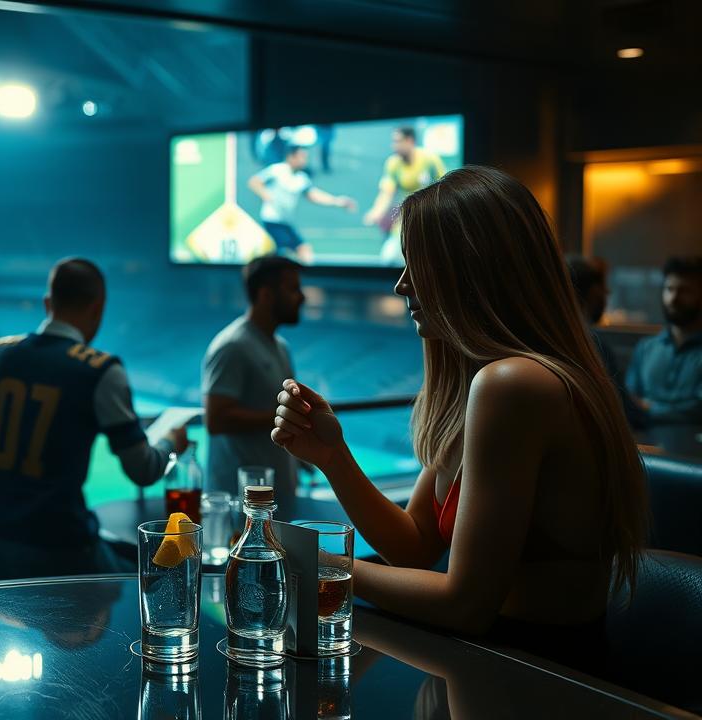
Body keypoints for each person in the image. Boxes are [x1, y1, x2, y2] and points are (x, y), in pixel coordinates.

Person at [272, 166, 646, 675]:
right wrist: (332, 457)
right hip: (496, 664)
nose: (402, 285)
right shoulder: (488, 385)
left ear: (470, 268)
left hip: (543, 681)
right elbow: (415, 546)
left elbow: (465, 605)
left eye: (416, 264)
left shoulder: (512, 385)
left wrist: (322, 567)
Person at [0, 258, 188, 580]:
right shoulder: (100, 370)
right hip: (57, 545)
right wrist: (172, 439)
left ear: (48, 303)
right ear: (98, 308)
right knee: (150, 583)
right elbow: (143, 470)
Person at [202, 255, 302, 499]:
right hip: (236, 500)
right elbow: (216, 419)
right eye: (293, 289)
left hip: (275, 496)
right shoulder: (232, 346)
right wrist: (285, 419)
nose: (302, 297)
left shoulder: (281, 346)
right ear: (266, 294)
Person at [565, 254, 644, 428]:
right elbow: (622, 413)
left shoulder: (556, 340)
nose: (607, 293)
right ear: (594, 292)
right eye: (604, 287)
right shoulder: (593, 345)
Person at [247, 145, 357, 264]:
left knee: (301, 251)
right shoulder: (276, 170)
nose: (304, 160)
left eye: (305, 157)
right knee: (293, 252)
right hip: (272, 220)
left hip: (286, 221)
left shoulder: (301, 178)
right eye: (301, 157)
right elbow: (254, 182)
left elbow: (313, 195)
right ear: (291, 157)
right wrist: (266, 195)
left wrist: (337, 201)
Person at [626, 256, 702, 425]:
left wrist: (648, 409)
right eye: (669, 289)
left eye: (685, 290)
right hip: (642, 447)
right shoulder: (646, 348)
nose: (673, 298)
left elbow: (698, 410)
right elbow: (629, 401)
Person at [362, 126, 447, 265]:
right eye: (393, 142)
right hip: (405, 222)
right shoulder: (393, 163)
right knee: (388, 258)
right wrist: (376, 212)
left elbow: (445, 186)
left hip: (429, 221)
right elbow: (386, 192)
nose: (393, 146)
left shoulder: (430, 159)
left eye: (398, 141)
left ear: (410, 141)